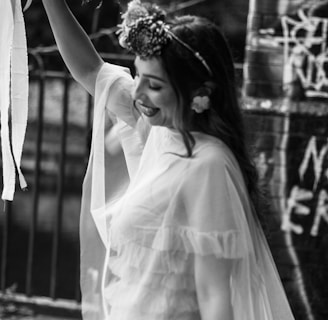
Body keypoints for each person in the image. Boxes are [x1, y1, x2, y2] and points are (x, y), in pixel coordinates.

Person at [41, 0, 295, 319]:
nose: (138, 93)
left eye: (155, 85)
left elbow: (215, 295)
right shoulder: (157, 130)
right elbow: (91, 70)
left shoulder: (209, 164)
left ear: (200, 93)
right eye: (138, 77)